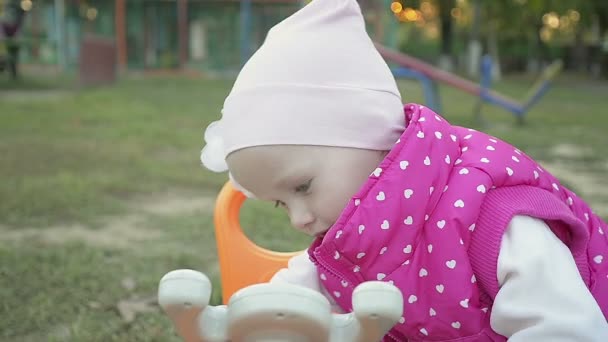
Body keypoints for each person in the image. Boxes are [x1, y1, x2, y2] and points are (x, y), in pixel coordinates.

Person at [200, 0, 608, 340]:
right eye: (280, 205)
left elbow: (568, 329)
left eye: (303, 187)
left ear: (369, 137)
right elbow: (285, 304)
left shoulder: (496, 219)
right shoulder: (343, 252)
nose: (300, 219)